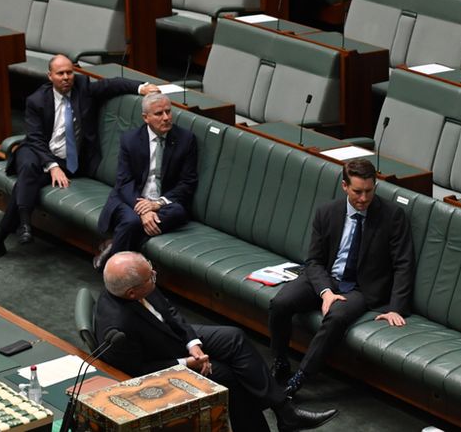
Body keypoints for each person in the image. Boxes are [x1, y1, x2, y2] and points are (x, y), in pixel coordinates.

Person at [96, 252, 337, 432]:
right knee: (229, 376)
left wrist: (194, 344)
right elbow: (136, 371)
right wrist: (187, 362)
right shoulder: (119, 326)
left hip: (174, 338)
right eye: (151, 276)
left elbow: (170, 312)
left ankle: (284, 410)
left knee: (233, 337)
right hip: (162, 359)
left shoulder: (140, 282)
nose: (154, 276)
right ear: (131, 293)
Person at [0, 55, 158, 266]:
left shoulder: (83, 87)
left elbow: (113, 84)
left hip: (70, 162)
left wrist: (142, 87)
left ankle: (3, 237)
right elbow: (35, 138)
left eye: (69, 72)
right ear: (50, 76)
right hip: (42, 151)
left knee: (27, 177)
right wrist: (51, 166)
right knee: (30, 163)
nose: (66, 77)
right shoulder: (37, 100)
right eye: (60, 73)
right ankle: (20, 225)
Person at [267, 159, 414, 397]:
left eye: (369, 191)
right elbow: (313, 261)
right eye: (357, 191)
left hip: (360, 289)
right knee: (280, 303)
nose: (364, 198)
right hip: (327, 278)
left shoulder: (392, 216)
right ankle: (280, 360)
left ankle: (300, 378)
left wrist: (396, 307)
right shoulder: (326, 213)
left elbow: (403, 264)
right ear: (344, 186)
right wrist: (325, 292)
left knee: (336, 317)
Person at [94, 93, 197, 270]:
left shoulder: (185, 139)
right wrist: (143, 211)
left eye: (168, 111)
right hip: (130, 199)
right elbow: (124, 181)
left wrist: (156, 204)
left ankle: (113, 252)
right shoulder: (130, 139)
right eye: (159, 114)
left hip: (163, 203)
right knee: (133, 221)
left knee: (179, 212)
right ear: (145, 117)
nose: (166, 118)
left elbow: (188, 182)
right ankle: (118, 272)